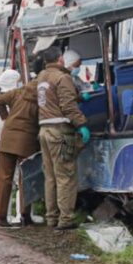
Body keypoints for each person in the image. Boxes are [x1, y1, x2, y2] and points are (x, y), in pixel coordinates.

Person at [36, 47, 89, 230]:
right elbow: (67, 106)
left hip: (44, 130)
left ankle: (51, 217)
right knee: (66, 175)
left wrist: (78, 97)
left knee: (50, 177)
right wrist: (81, 124)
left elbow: (53, 99)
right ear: (60, 59)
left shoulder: (42, 76)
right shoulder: (62, 77)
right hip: (62, 132)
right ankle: (66, 219)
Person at [0, 69, 40, 227]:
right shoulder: (40, 98)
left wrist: (6, 118)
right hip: (27, 142)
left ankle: (0, 217)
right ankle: (25, 215)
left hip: (8, 139)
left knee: (4, 178)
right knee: (26, 177)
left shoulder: (17, 92)